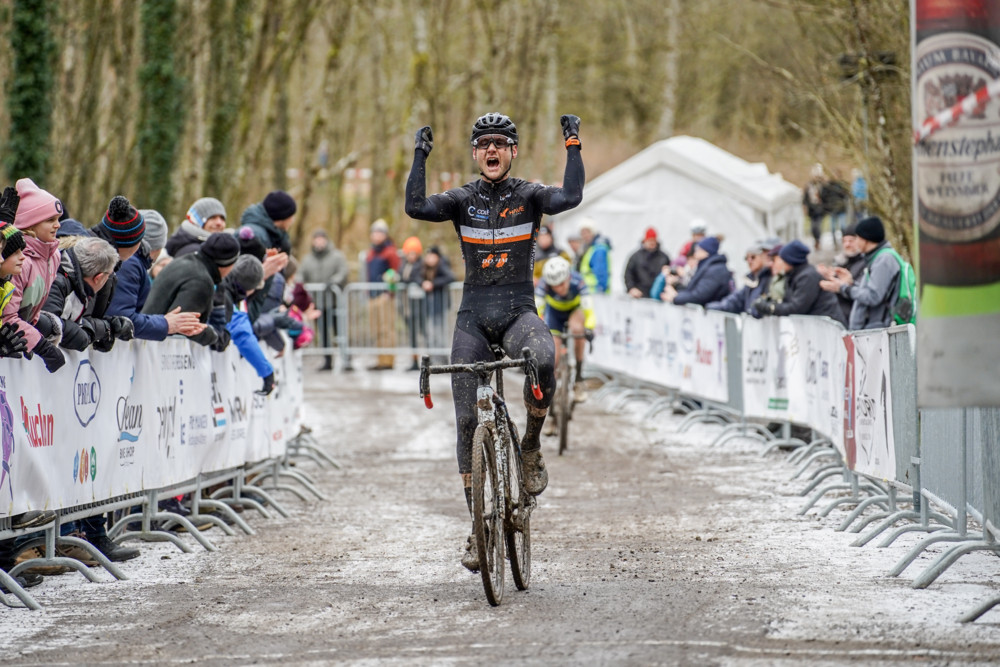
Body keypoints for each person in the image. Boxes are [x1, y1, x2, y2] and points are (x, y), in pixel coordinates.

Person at [404, 111, 584, 571]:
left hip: (518, 314)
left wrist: (573, 145)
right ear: (474, 152)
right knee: (466, 421)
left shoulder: (529, 196)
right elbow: (416, 207)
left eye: (500, 144)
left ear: (512, 151)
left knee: (545, 357)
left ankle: (529, 445)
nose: (491, 150)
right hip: (473, 321)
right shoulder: (464, 200)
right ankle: (475, 529)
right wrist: (419, 154)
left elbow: (571, 196)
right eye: (483, 143)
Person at [106, 209, 204, 340]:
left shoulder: (132, 263)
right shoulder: (129, 264)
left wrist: (167, 324)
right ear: (158, 246)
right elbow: (121, 320)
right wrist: (166, 324)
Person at [3, 178, 65, 374]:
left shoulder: (54, 256)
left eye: (58, 219)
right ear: (31, 222)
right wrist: (40, 346)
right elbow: (7, 315)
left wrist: (31, 335)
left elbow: (33, 309)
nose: (58, 226)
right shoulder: (17, 260)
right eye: (50, 220)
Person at [142, 232, 241, 347]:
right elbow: (184, 326)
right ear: (227, 264)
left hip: (147, 340)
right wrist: (213, 336)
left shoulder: (181, 262)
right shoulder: (201, 281)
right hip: (157, 349)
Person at [40, 236, 129, 351]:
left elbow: (77, 322)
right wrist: (83, 337)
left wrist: (107, 327)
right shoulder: (58, 281)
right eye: (109, 275)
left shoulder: (78, 284)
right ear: (99, 278)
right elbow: (48, 324)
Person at [208, 255, 275, 395]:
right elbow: (242, 334)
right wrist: (267, 372)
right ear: (248, 288)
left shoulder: (220, 284)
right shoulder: (227, 298)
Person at [819, 216, 901, 330]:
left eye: (856, 238)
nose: (856, 242)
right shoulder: (876, 258)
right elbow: (872, 291)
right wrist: (850, 283)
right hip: (872, 330)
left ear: (866, 239)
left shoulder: (884, 260)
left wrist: (843, 288)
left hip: (878, 331)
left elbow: (873, 297)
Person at [534, 256, 594, 400]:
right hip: (554, 314)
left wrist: (590, 327)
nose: (559, 288)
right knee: (553, 353)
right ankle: (550, 381)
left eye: (562, 283)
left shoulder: (577, 281)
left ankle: (579, 379)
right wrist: (537, 327)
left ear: (567, 277)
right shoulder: (544, 284)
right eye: (555, 285)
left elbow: (588, 308)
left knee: (578, 330)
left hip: (574, 310)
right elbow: (537, 308)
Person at [752, 239, 846, 325]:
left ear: (790, 260)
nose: (780, 263)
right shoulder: (794, 276)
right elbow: (788, 301)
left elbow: (797, 308)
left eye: (783, 260)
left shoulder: (808, 277)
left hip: (828, 330)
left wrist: (771, 308)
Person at [299, 229, 348, 371]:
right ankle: (327, 361)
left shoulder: (336, 256)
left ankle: (346, 359)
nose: (319, 242)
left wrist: (333, 282)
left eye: (321, 239)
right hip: (317, 304)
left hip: (334, 302)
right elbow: (300, 274)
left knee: (340, 332)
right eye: (316, 239)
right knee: (323, 333)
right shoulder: (308, 259)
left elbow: (343, 272)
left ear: (326, 240)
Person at [706, 239, 776, 316]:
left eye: (753, 257)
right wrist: (714, 307)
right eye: (746, 258)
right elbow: (736, 300)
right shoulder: (751, 279)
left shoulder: (768, 278)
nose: (749, 261)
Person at [365, 219, 400, 371]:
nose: (376, 235)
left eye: (379, 232)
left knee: (387, 329)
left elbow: (395, 273)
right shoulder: (371, 253)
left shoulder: (390, 252)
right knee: (376, 329)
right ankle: (380, 359)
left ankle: (388, 361)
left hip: (385, 297)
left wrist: (390, 292)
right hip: (372, 296)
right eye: (374, 232)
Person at [659, 237, 732, 306]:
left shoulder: (715, 270)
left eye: (698, 249)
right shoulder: (706, 267)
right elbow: (692, 289)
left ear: (706, 252)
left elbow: (700, 295)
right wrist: (676, 286)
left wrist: (675, 297)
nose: (695, 252)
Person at [818, 225, 866, 325]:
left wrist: (844, 286)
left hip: (856, 319)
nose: (847, 244)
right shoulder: (839, 262)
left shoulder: (866, 263)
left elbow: (864, 293)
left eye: (851, 241)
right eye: (844, 241)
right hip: (838, 317)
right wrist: (827, 277)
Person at [419, 245, 455, 363]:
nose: (429, 258)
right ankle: (432, 358)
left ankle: (442, 358)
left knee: (439, 332)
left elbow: (450, 277)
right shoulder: (425, 267)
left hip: (439, 305)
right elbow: (415, 276)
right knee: (430, 332)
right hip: (430, 305)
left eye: (431, 255)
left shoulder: (442, 265)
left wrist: (433, 284)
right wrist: (422, 283)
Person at [399, 236, 425, 371]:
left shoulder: (421, 265)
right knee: (412, 335)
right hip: (407, 304)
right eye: (409, 253)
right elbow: (402, 278)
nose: (411, 256)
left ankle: (427, 359)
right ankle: (414, 360)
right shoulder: (404, 264)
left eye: (414, 253)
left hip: (420, 306)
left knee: (423, 333)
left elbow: (417, 278)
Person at [624, 227, 670, 298]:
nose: (652, 242)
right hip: (640, 295)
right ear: (645, 240)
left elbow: (669, 275)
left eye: (653, 240)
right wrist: (631, 288)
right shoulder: (636, 256)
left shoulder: (663, 257)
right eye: (650, 240)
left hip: (658, 296)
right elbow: (628, 274)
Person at [577, 218, 611, 294]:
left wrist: (600, 290)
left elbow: (601, 272)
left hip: (596, 293)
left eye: (587, 232)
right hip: (590, 292)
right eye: (582, 233)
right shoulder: (590, 248)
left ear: (593, 232)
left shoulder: (598, 249)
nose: (584, 236)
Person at [803, 163, 827, 251]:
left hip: (820, 209)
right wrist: (805, 207)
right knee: (813, 227)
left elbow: (826, 196)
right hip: (812, 210)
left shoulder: (823, 186)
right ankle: (816, 240)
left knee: (818, 226)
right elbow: (805, 197)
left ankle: (818, 241)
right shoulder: (809, 185)